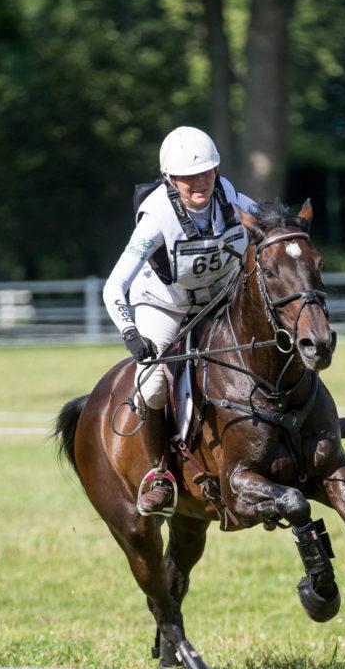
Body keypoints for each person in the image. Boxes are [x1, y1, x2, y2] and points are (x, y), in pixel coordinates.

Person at [103, 126, 258, 516]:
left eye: (205, 173)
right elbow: (114, 285)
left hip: (217, 302)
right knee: (154, 385)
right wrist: (130, 332)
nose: (198, 183)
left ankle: (307, 428)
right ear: (170, 178)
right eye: (187, 178)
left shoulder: (233, 198)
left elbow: (270, 223)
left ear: (217, 170)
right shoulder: (156, 218)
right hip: (164, 307)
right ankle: (158, 473)